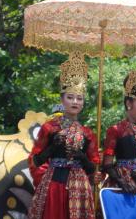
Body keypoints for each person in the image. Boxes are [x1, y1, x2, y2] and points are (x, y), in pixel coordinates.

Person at [28, 54, 100, 219]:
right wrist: (53, 148)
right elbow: (35, 161)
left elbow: (92, 170)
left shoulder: (88, 133)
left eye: (79, 98)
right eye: (70, 97)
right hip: (54, 185)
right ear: (62, 99)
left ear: (83, 102)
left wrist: (81, 157)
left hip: (80, 188)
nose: (75, 101)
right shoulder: (50, 127)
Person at [102, 61, 136, 215]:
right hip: (123, 187)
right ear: (128, 103)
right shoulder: (116, 130)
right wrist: (122, 181)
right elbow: (107, 164)